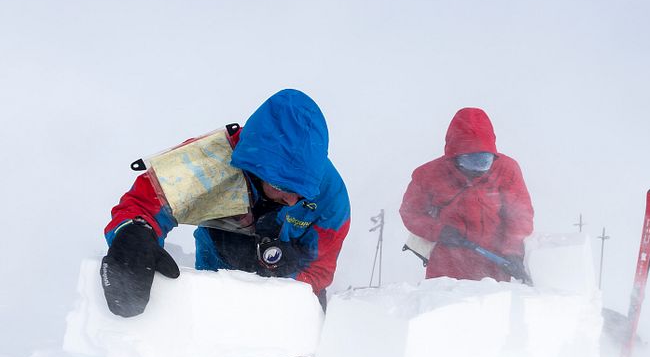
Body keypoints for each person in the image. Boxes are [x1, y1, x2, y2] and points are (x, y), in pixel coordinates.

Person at [101, 89, 350, 317]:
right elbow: (143, 204)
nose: (292, 200)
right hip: (219, 264)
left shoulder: (330, 197)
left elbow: (320, 271)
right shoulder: (210, 162)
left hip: (289, 280)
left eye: (301, 193)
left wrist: (274, 294)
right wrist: (134, 234)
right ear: (258, 168)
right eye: (284, 187)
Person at [399, 107, 533, 282]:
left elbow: (519, 217)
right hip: (447, 270)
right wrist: (440, 231)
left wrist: (513, 252)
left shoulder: (507, 171)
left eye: (484, 160)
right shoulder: (428, 176)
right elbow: (410, 212)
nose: (477, 169)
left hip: (495, 268)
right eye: (469, 160)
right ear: (454, 156)